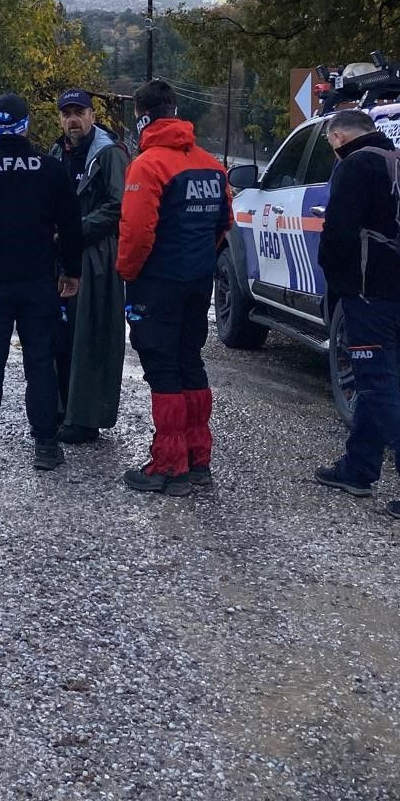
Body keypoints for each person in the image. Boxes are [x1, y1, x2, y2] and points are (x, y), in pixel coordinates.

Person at [0, 92, 83, 473]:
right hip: (40, 283)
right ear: (25, 126)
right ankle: (46, 446)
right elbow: (71, 227)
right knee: (40, 363)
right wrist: (71, 272)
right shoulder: (50, 169)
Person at [314, 109, 400, 519]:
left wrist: (341, 288)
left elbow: (337, 235)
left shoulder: (355, 166)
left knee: (381, 388)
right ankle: (358, 469)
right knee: (378, 381)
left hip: (371, 297)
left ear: (338, 137)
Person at [117, 79, 232, 495]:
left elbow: (136, 232)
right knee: (190, 361)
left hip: (157, 282)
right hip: (198, 280)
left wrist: (127, 273)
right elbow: (224, 225)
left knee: (161, 367)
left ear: (142, 115)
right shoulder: (211, 165)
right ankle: (199, 459)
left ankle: (169, 466)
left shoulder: (147, 165)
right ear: (176, 110)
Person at [47, 88, 129, 444]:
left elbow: (117, 206)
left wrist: (72, 231)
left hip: (96, 255)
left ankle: (86, 418)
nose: (72, 120)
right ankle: (59, 409)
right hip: (58, 256)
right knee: (59, 335)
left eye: (79, 112)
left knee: (91, 337)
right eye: (66, 114)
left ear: (93, 116)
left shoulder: (109, 154)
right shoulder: (56, 152)